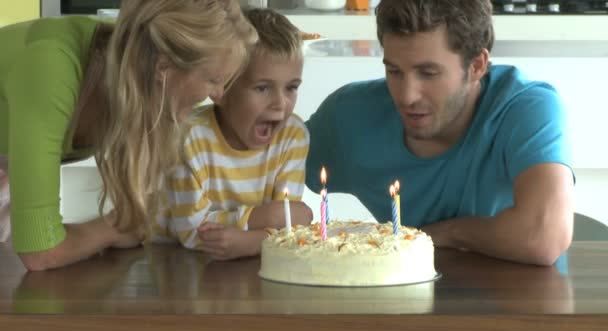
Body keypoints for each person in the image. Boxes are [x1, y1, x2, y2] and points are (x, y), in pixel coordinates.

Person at [305, 0, 574, 266]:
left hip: (519, 303)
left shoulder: (527, 108)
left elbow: (543, 237)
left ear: (477, 66)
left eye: (429, 73)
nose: (407, 96)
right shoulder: (349, 115)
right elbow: (269, 169)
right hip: (402, 299)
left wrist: (445, 233)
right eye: (394, 71)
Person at [0, 0, 258, 271]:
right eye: (214, 80)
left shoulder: (133, 61)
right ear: (164, 68)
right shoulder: (51, 67)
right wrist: (111, 229)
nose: (219, 96)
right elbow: (42, 252)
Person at [147, 8, 312, 260]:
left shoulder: (293, 137)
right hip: (170, 261)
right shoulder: (189, 137)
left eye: (291, 87)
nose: (281, 103)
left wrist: (251, 241)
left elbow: (288, 227)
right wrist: (262, 219)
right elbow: (192, 233)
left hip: (250, 265)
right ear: (220, 90)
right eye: (263, 88)